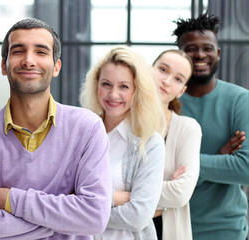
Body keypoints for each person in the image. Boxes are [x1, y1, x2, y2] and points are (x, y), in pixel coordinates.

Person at [0, 18, 111, 239]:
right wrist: (65, 220)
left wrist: (9, 199)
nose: (29, 61)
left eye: (41, 52)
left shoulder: (88, 128)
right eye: (18, 51)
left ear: (56, 66)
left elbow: (95, 218)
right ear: (4, 65)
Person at [173, 12, 249, 240]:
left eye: (207, 48)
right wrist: (221, 157)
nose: (200, 54)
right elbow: (159, 172)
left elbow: (245, 169)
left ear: (217, 53)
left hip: (227, 231)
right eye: (191, 48)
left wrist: (188, 163)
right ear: (180, 55)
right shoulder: (164, 103)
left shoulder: (240, 100)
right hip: (171, 228)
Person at [80, 45, 165, 240]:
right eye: (106, 84)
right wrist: (115, 197)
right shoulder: (80, 132)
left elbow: (138, 216)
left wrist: (81, 209)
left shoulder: (150, 143)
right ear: (96, 84)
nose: (113, 94)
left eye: (124, 86)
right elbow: (61, 193)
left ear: (137, 90)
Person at [151, 49, 202, 240]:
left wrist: (122, 196)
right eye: (163, 70)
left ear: (181, 91)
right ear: (149, 70)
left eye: (178, 79)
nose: (166, 81)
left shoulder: (188, 129)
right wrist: (164, 191)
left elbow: (180, 193)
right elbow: (102, 190)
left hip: (168, 232)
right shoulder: (120, 121)